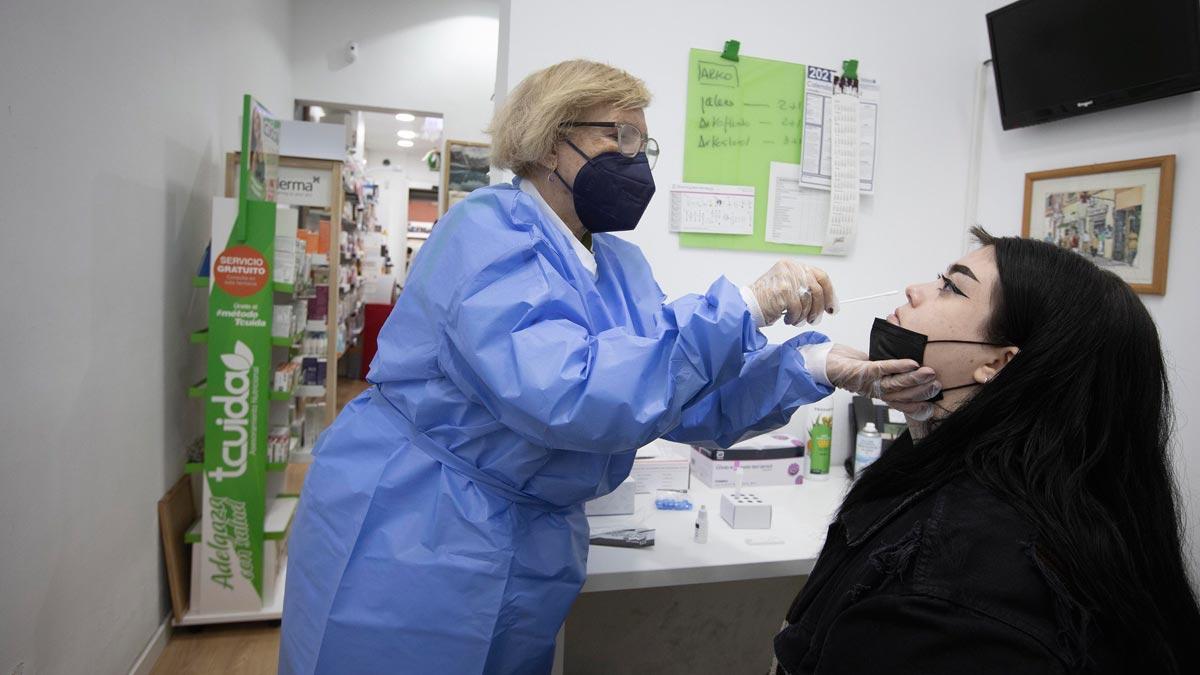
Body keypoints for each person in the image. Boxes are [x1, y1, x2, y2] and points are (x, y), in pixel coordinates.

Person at [279, 60, 934, 675]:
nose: (635, 160)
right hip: (413, 525)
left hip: (525, 537)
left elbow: (677, 397)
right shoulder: (483, 233)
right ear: (548, 142)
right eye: (617, 135)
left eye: (644, 145)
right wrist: (745, 303)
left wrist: (819, 364)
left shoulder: (619, 266)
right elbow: (571, 392)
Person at [772, 227, 1200, 674]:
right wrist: (811, 364)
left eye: (950, 288)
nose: (914, 290)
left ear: (998, 364)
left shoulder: (950, 590)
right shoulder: (930, 467)